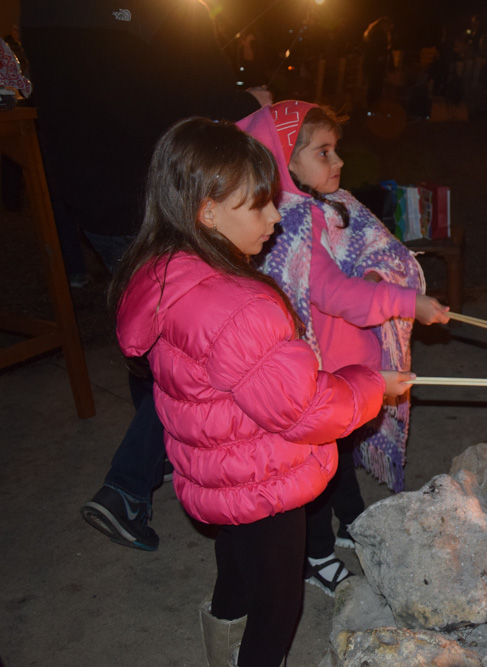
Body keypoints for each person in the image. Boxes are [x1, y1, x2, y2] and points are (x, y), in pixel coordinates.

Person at [111, 117, 409, 666]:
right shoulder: (237, 307)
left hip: (218, 473)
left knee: (237, 571)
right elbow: (304, 410)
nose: (276, 217)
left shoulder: (164, 273)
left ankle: (222, 644)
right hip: (262, 477)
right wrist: (371, 386)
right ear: (207, 211)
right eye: (258, 205)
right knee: (279, 603)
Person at [20, 0, 272, 552]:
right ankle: (127, 488)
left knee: (154, 340)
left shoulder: (39, 9)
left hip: (92, 198)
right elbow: (185, 87)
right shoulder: (159, 12)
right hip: (158, 198)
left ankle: (165, 457)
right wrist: (248, 101)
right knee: (191, 361)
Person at [237, 101, 450, 597]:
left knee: (340, 451)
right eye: (323, 152)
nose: (338, 163)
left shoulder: (333, 206)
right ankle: (316, 555)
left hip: (347, 360)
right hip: (320, 371)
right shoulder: (289, 223)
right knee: (316, 466)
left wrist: (378, 274)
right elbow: (332, 293)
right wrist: (406, 301)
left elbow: (370, 254)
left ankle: (353, 519)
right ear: (283, 159)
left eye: (337, 150)